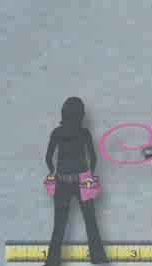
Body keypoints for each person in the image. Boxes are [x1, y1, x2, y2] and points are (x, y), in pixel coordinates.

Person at [42, 97, 105, 266]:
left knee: (59, 225)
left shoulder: (57, 133)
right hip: (82, 181)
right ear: (80, 115)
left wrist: (52, 172)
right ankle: (99, 260)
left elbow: (48, 158)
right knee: (91, 223)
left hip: (61, 182)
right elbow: (93, 158)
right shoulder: (84, 133)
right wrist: (90, 175)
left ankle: (52, 262)